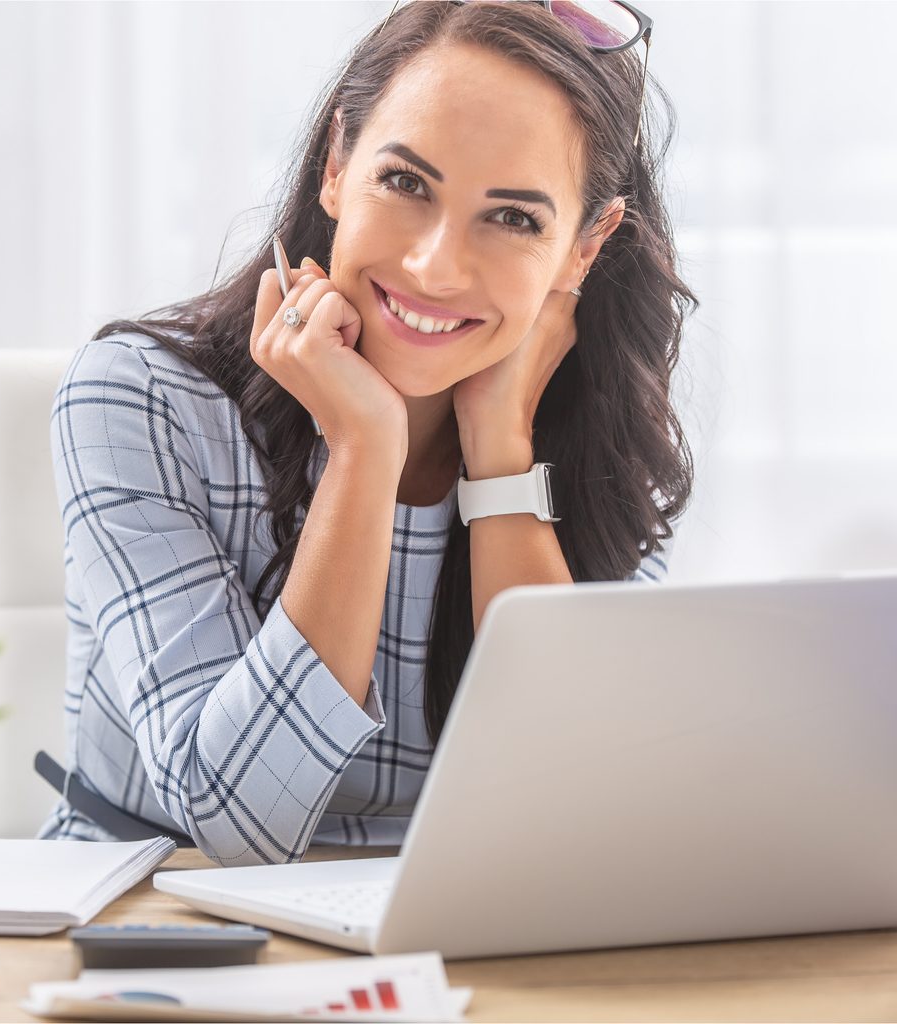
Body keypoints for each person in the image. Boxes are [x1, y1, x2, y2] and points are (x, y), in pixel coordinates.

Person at [39, 0, 697, 864]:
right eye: (407, 183)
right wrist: (364, 451)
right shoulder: (141, 399)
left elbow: (577, 814)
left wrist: (500, 448)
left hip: (458, 917)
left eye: (513, 218)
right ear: (337, 163)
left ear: (585, 245)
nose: (434, 267)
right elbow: (236, 822)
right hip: (161, 911)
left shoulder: (607, 442)